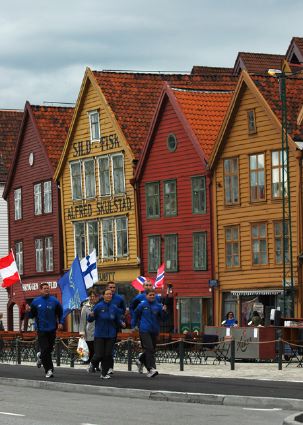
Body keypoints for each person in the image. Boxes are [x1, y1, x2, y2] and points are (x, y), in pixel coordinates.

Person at [25, 283, 63, 378]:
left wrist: (60, 322)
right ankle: (49, 370)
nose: (47, 290)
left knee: (49, 349)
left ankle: (40, 356)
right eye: (44, 288)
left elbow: (60, 312)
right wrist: (28, 311)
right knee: (45, 349)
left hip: (52, 329)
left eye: (48, 288)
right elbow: (31, 316)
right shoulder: (35, 302)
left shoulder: (54, 301)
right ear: (40, 290)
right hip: (41, 329)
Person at [87, 288, 125, 379]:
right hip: (99, 334)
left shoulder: (114, 307)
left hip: (111, 334)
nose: (109, 295)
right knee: (99, 354)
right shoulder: (98, 306)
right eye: (107, 294)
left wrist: (122, 324)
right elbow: (90, 319)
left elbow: (117, 320)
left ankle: (104, 374)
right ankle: (92, 363)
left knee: (108, 355)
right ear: (103, 296)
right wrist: (90, 316)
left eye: (111, 294)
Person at [131, 288, 167, 378]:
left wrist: (164, 311)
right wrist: (134, 325)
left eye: (153, 295)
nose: (151, 296)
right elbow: (135, 314)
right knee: (149, 348)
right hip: (144, 330)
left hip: (154, 330)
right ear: (146, 296)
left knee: (152, 350)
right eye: (150, 295)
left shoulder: (158, 306)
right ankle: (151, 369)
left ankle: (140, 359)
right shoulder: (142, 305)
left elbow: (163, 318)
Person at [106, 281, 126, 374]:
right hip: (103, 327)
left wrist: (121, 319)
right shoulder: (102, 299)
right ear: (107, 288)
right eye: (110, 287)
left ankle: (110, 367)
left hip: (115, 326)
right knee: (104, 348)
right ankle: (100, 364)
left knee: (111, 347)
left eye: (114, 287)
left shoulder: (119, 299)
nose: (112, 289)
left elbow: (123, 311)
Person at [79, 288, 99, 364]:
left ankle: (94, 363)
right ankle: (88, 360)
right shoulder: (85, 307)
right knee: (89, 347)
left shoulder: (99, 306)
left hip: (98, 330)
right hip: (88, 330)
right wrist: (82, 332)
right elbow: (82, 320)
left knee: (97, 348)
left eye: (94, 296)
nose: (92, 298)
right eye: (91, 296)